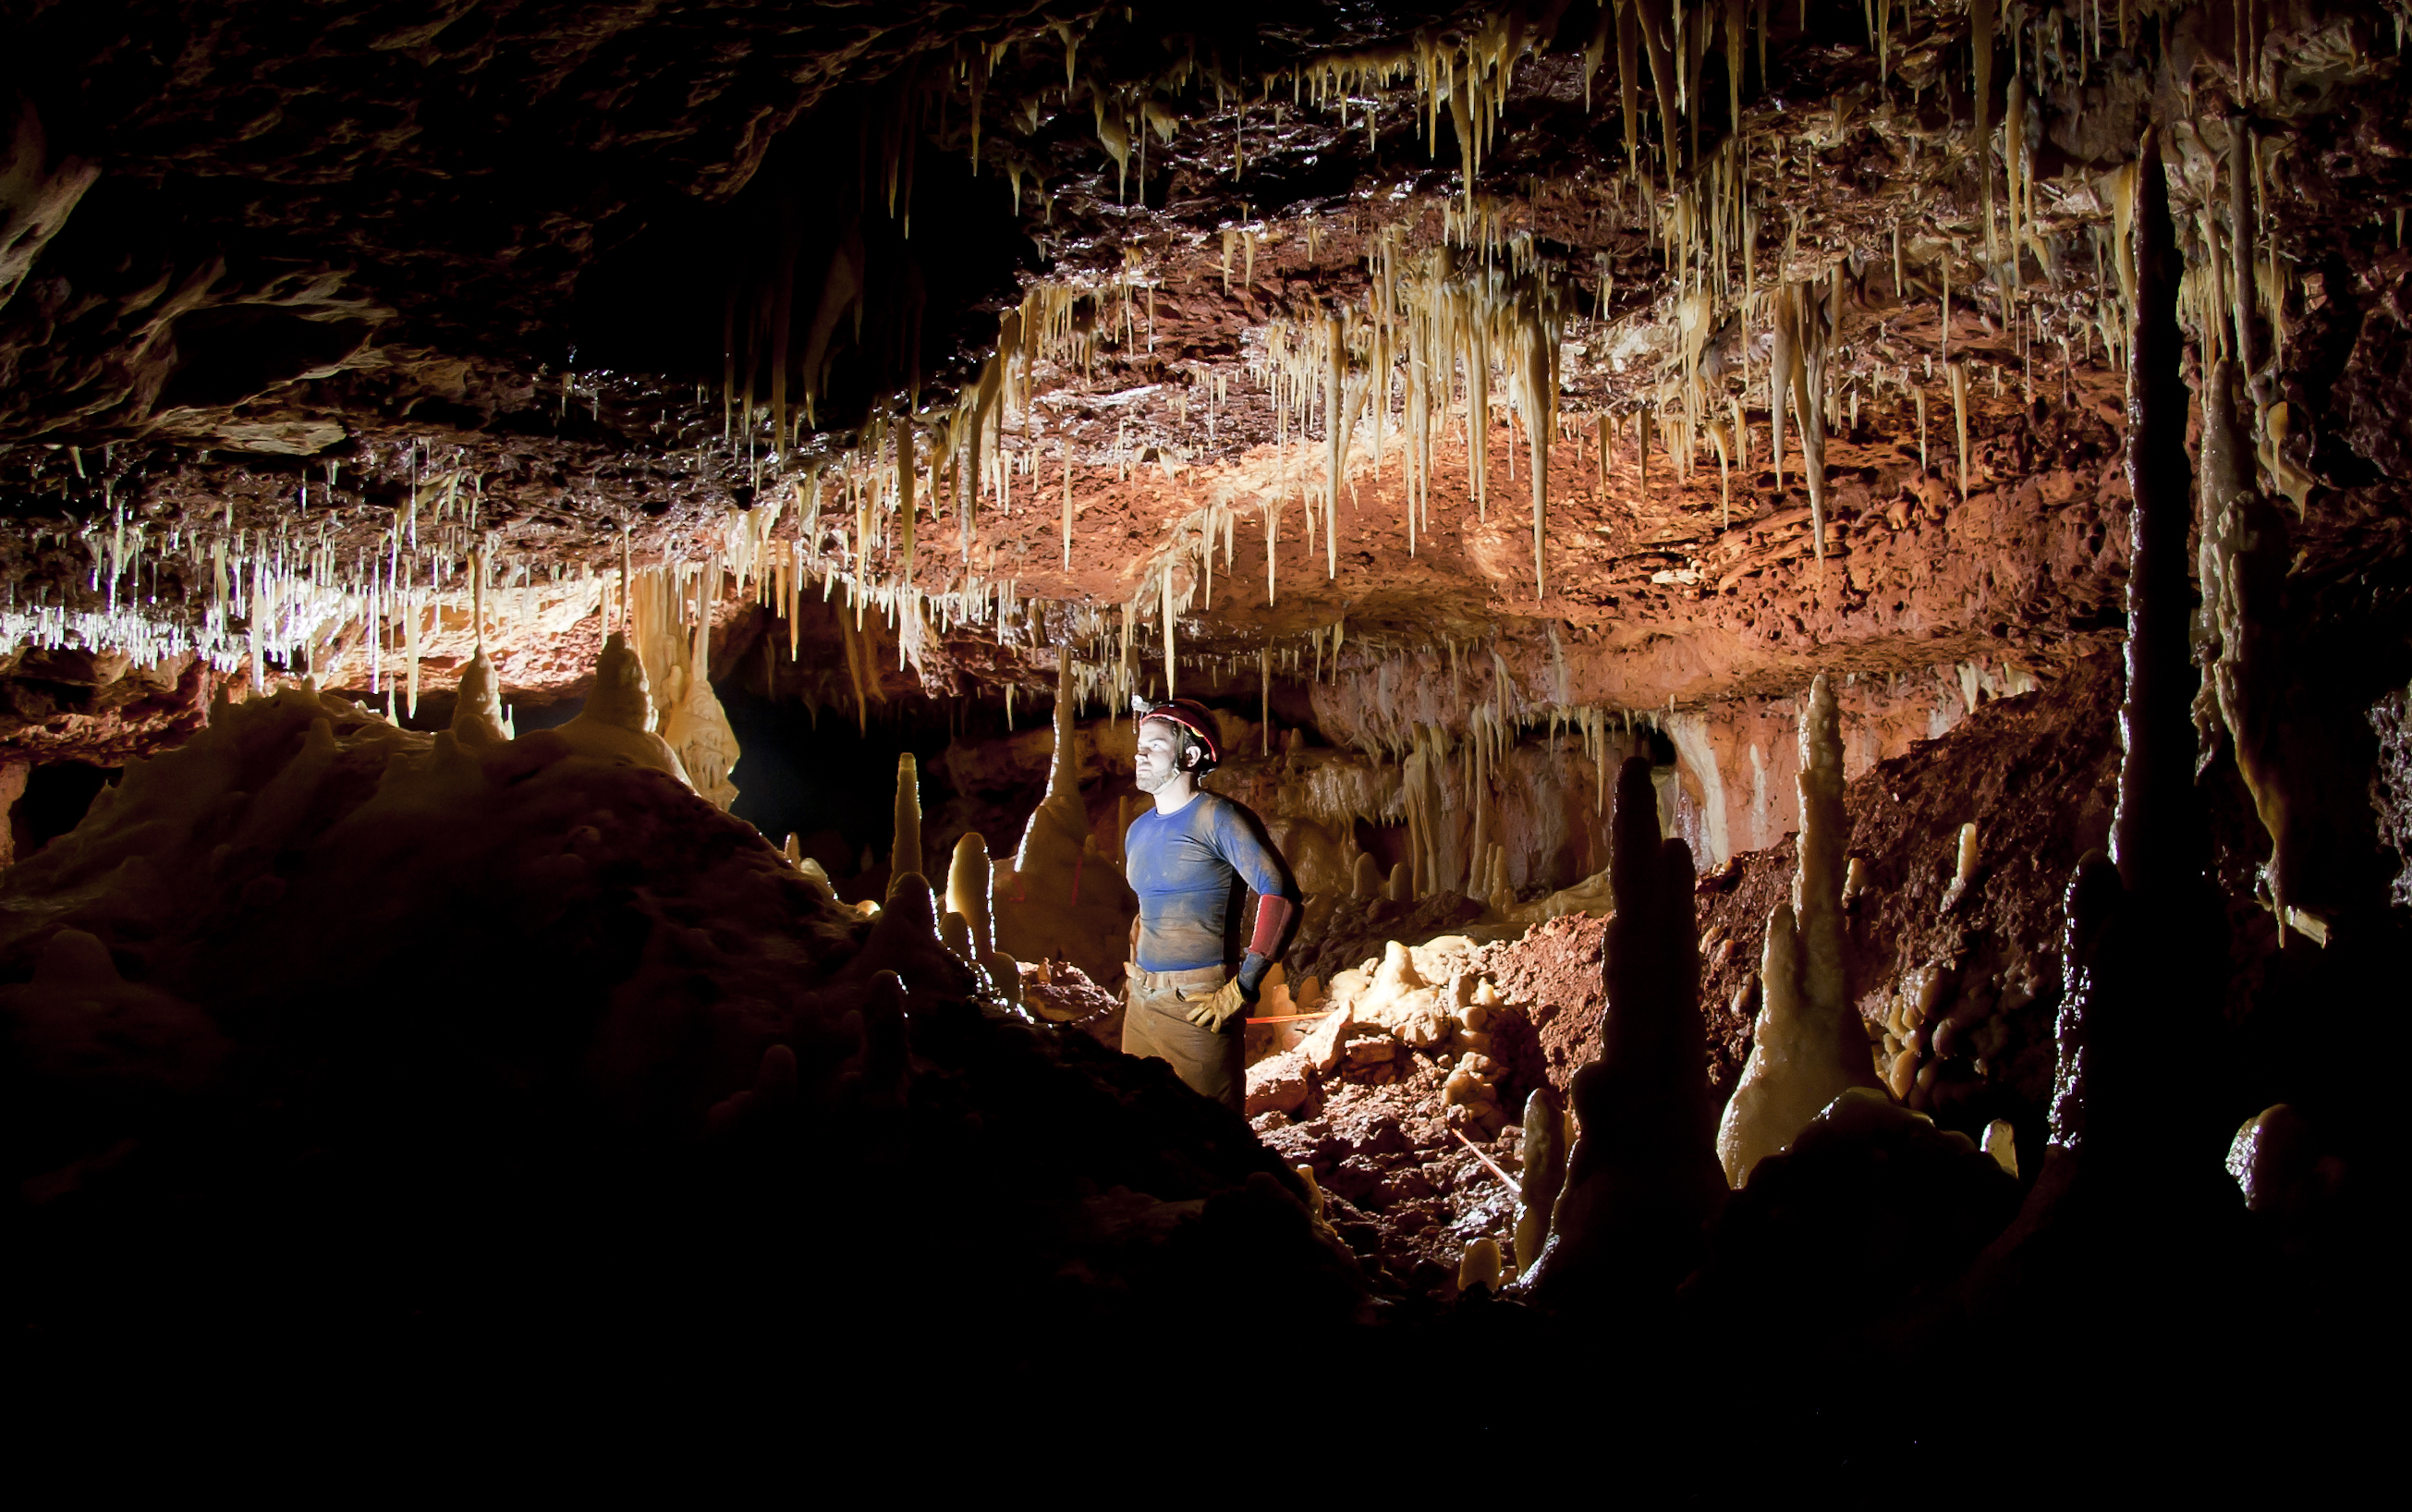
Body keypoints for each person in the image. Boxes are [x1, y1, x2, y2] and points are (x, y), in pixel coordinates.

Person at [1120, 698, 1300, 1114]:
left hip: (1198, 1007)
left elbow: (1281, 896)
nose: (1140, 754)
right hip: (1141, 1002)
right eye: (1139, 745)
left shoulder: (1218, 818)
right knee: (1137, 1127)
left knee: (1212, 1140)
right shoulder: (1138, 830)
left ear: (1190, 754)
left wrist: (1244, 988)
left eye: (1155, 745)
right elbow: (1148, 907)